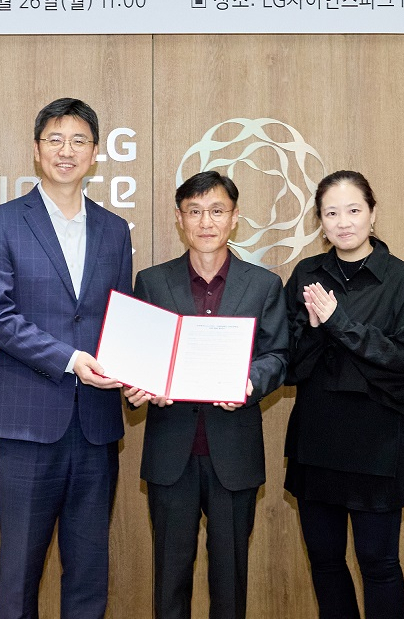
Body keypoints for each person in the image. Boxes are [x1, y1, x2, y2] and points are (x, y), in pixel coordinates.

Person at [0, 97, 134, 619]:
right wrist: (69, 358)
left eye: (79, 141)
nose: (67, 151)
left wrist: (133, 369)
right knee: (19, 567)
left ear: (95, 153)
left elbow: (120, 319)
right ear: (38, 151)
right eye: (56, 140)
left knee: (88, 568)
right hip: (28, 418)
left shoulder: (114, 230)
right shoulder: (1, 223)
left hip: (96, 423)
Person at [124, 171, 288, 619]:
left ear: (234, 218)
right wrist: (138, 385)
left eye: (217, 211)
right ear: (180, 220)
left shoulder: (263, 285)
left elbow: (278, 355)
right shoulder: (153, 282)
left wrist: (251, 382)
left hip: (233, 452)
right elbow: (138, 357)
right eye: (194, 212)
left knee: (230, 582)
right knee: (169, 581)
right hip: (170, 453)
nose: (206, 222)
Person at [283, 170, 404, 619]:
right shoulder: (306, 273)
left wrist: (337, 323)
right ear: (319, 221)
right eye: (331, 213)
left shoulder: (400, 278)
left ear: (372, 214)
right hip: (316, 439)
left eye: (353, 210)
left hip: (377, 444)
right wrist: (312, 327)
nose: (343, 222)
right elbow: (288, 364)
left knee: (379, 564)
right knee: (325, 564)